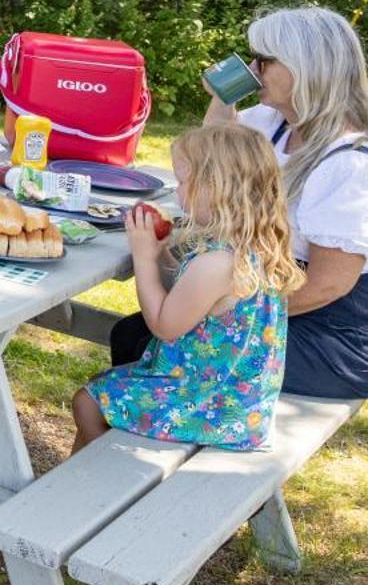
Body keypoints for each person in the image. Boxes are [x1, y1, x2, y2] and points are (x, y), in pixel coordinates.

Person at [112, 7, 368, 400]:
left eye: (263, 61)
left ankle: (163, 439)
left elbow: (327, 285)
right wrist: (222, 97)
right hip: (263, 291)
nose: (253, 69)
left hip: (331, 333)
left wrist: (227, 314)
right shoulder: (274, 120)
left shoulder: (349, 163)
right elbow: (212, 164)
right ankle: (139, 436)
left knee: (149, 341)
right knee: (132, 335)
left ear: (305, 68)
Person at [73, 125, 301, 452]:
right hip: (238, 399)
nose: (177, 191)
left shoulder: (218, 263)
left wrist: (144, 258)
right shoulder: (248, 246)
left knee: (88, 402)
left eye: (182, 182)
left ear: (217, 187)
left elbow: (164, 325)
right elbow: (188, 294)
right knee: (102, 386)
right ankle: (84, 485)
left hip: (210, 409)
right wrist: (163, 253)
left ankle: (106, 484)